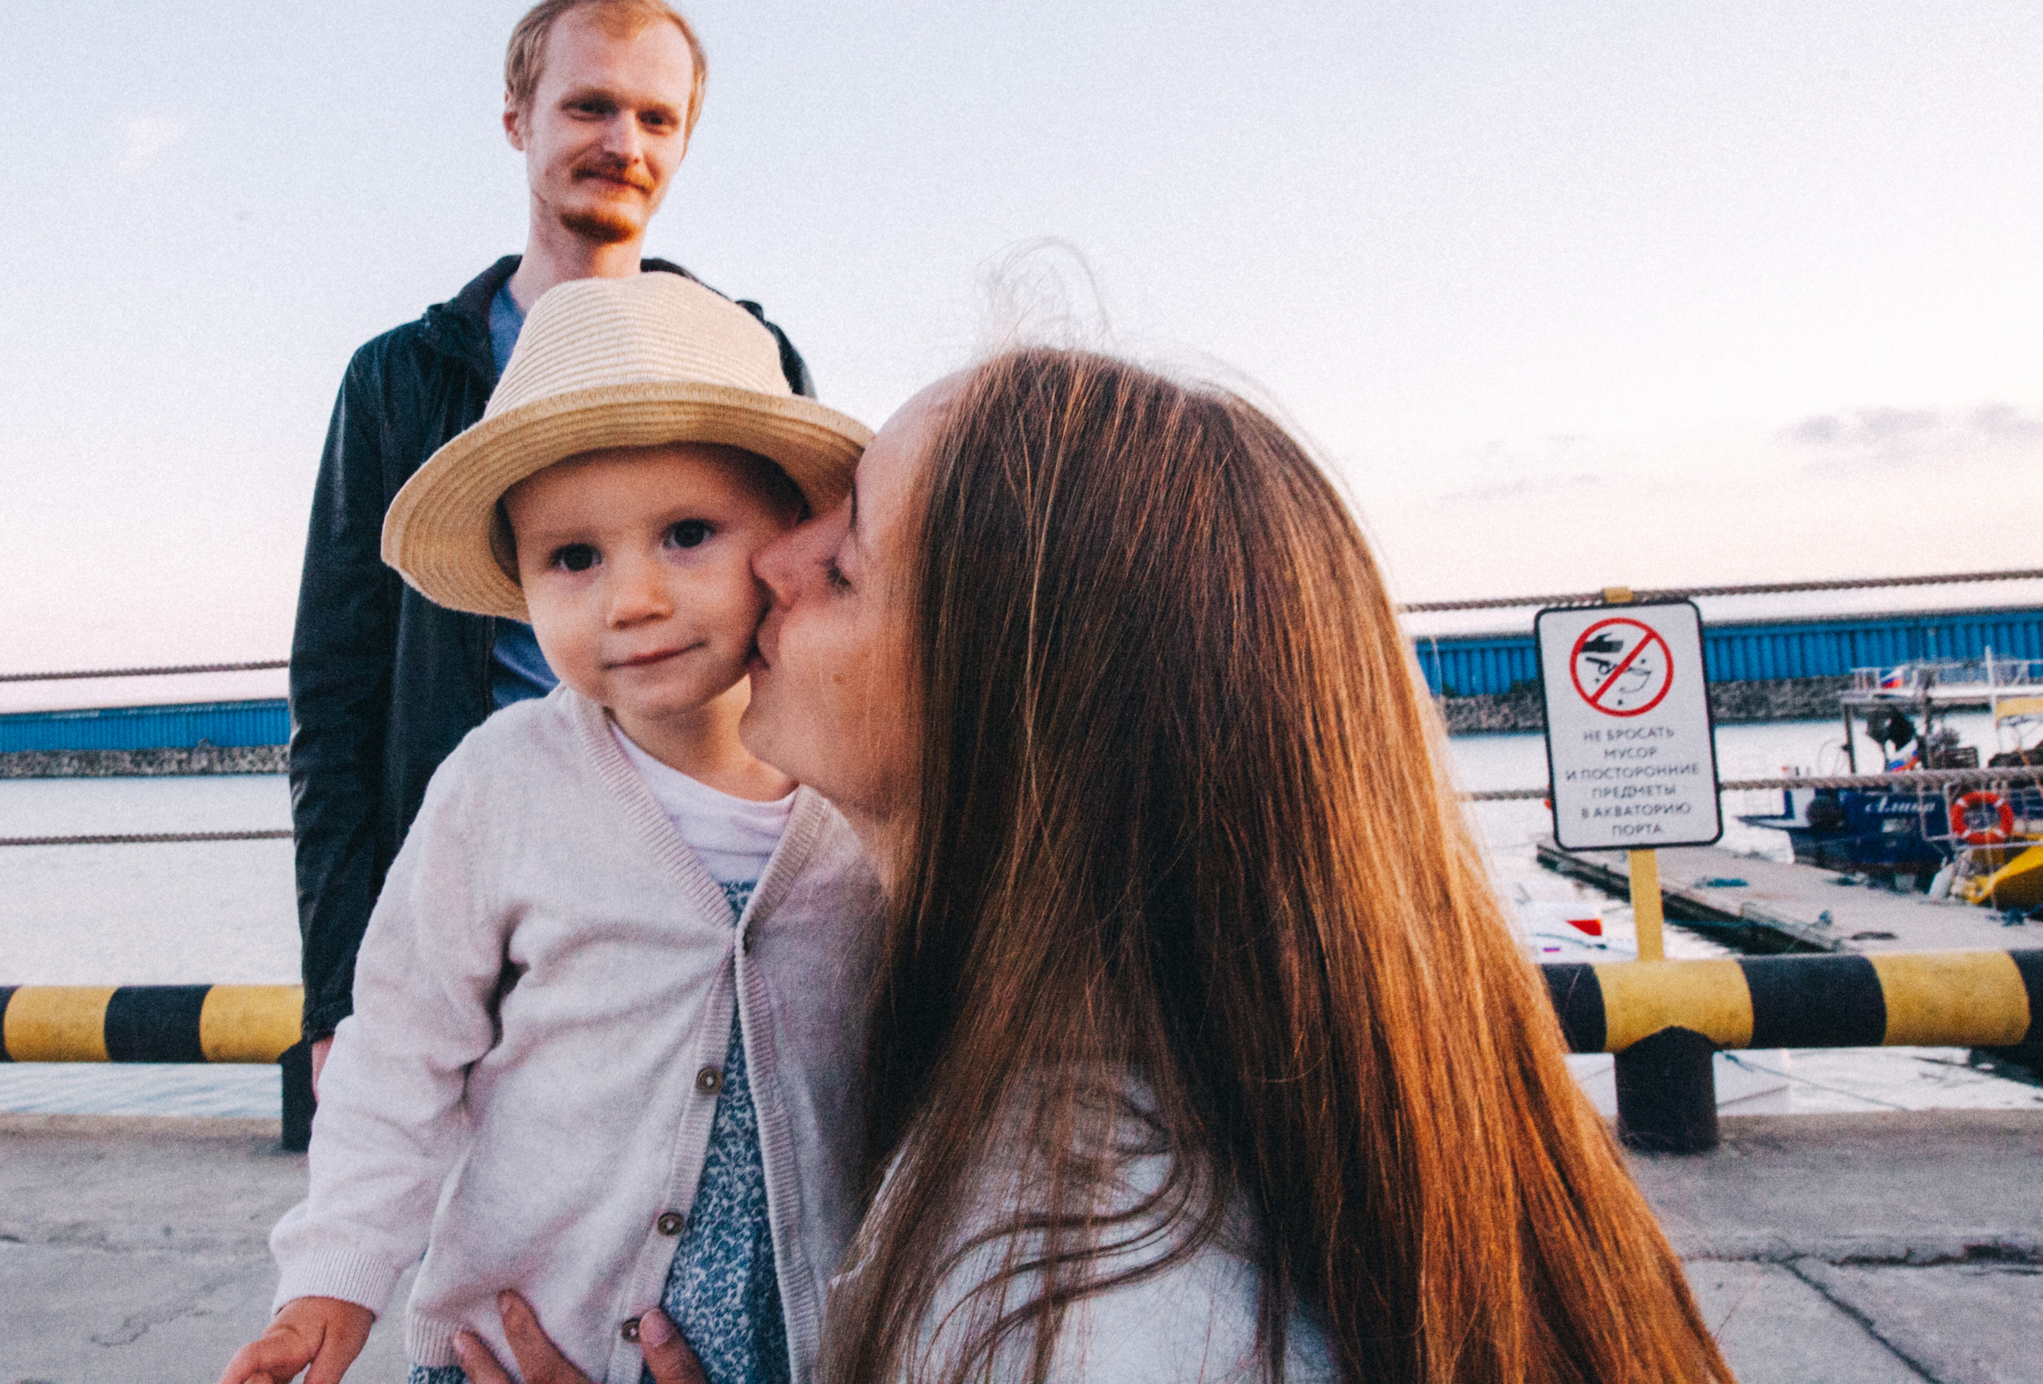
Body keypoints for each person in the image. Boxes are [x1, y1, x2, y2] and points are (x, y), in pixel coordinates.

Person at [455, 349, 1734, 1383]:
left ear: (1010, 715)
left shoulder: (1078, 1300)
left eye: (842, 560)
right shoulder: (1083, 1118)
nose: (771, 558)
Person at [222, 274, 884, 1384]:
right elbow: (398, 1053)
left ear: (788, 539)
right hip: (526, 1343)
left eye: (686, 534)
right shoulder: (502, 784)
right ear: (520, 583)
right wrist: (332, 1279)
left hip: (798, 1344)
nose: (629, 599)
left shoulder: (867, 789)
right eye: (573, 558)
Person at [288, 0, 813, 1080]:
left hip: (704, 884)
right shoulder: (403, 380)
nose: (623, 140)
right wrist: (339, 993)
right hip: (481, 895)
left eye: (656, 117)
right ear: (518, 121)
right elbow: (335, 699)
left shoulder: (751, 362)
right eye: (589, 106)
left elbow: (815, 628)